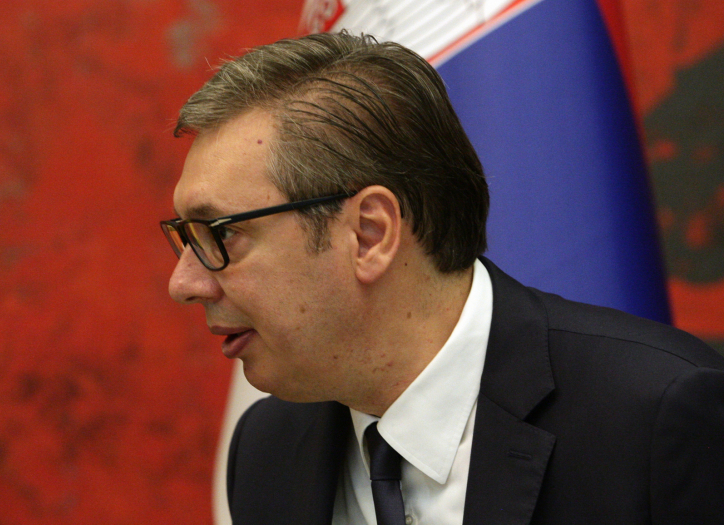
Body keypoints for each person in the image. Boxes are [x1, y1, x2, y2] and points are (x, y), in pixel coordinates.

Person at [159, 31, 724, 525]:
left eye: (221, 233)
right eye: (185, 236)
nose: (182, 284)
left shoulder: (656, 418)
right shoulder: (268, 449)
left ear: (369, 234)